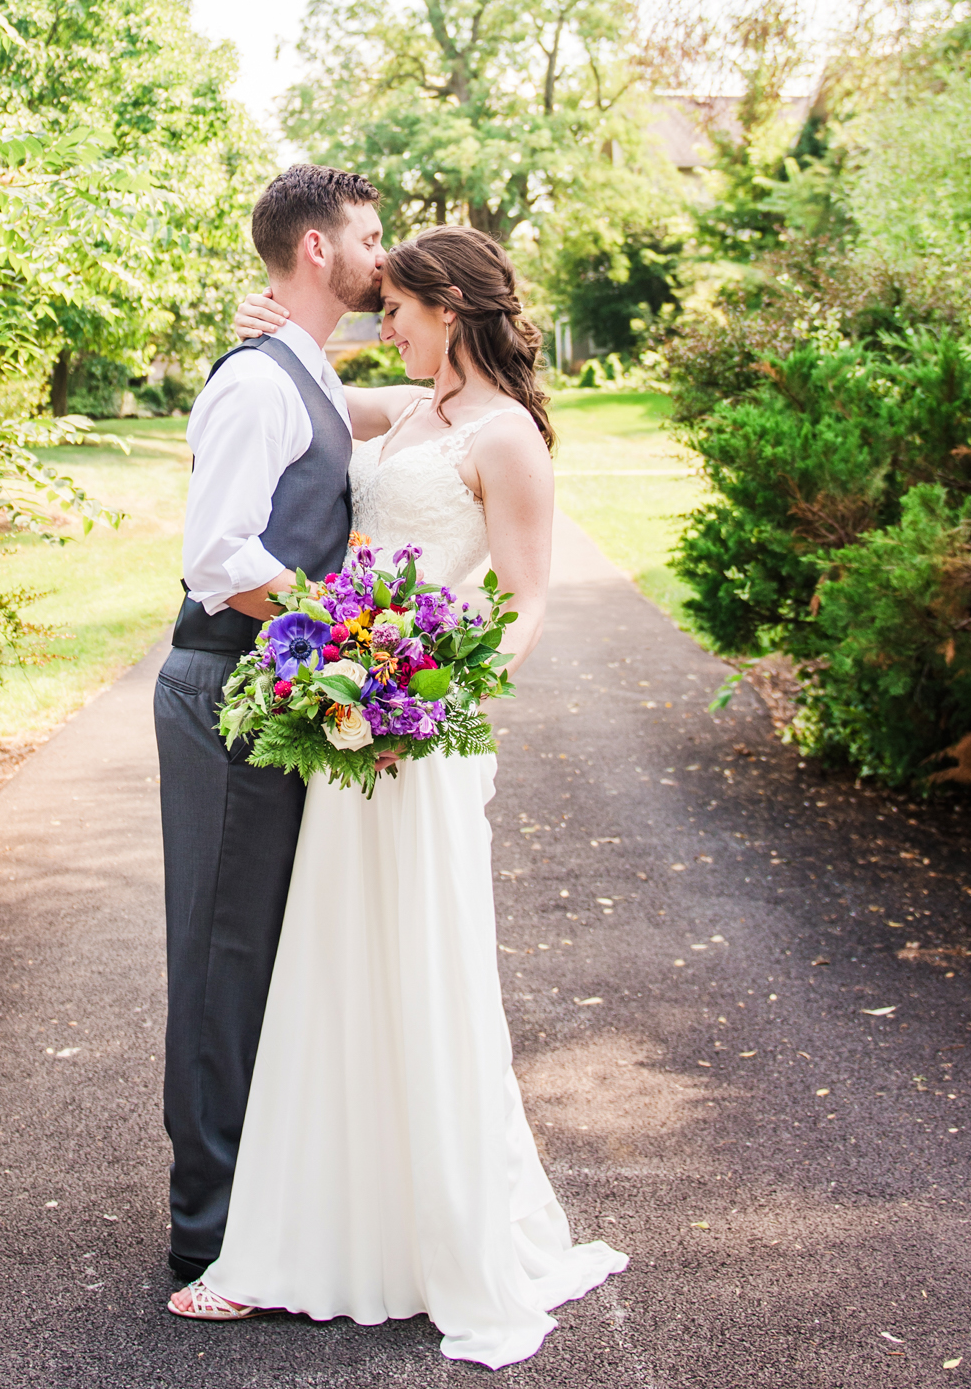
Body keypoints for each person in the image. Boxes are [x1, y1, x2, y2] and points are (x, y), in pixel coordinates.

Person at [169, 226, 628, 1367]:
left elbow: (523, 601)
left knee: (422, 973)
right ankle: (310, 1234)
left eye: (403, 314)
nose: (389, 327)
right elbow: (324, 397)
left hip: (419, 739)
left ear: (454, 307)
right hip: (348, 730)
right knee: (332, 969)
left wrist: (424, 690)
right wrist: (273, 334)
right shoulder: (409, 412)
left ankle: (441, 1237)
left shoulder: (506, 435)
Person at [154, 163, 387, 1282]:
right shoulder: (259, 382)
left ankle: (258, 1215)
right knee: (220, 956)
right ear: (314, 250)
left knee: (266, 956)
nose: (382, 255)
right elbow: (218, 558)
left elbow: (402, 412)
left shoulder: (309, 370)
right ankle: (205, 1242)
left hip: (274, 691)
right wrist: (344, 629)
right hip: (224, 693)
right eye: (370, 234)